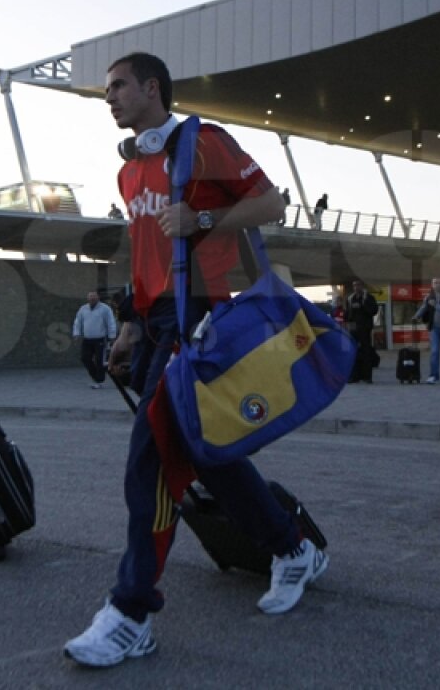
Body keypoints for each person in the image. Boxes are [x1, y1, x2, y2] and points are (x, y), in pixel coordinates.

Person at [63, 53, 327, 669]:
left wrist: (203, 217)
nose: (109, 97)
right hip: (157, 322)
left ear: (152, 88)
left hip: (200, 319)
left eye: (119, 86)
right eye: (107, 89)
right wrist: (131, 324)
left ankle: (131, 612)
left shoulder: (202, 142)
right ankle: (293, 548)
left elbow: (271, 204)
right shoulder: (129, 173)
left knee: (150, 459)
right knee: (210, 453)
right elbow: (145, 255)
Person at [415, 277, 440, 384]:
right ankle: (434, 376)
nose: (436, 284)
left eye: (439, 282)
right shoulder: (429, 297)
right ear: (432, 285)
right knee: (434, 352)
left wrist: (436, 305)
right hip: (434, 329)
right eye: (434, 283)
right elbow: (424, 308)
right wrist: (417, 316)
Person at [72, 291, 117, 388]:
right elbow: (78, 322)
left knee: (100, 360)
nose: (92, 299)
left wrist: (112, 335)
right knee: (85, 358)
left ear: (98, 298)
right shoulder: (83, 309)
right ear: (87, 298)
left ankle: (99, 380)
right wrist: (76, 333)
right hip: (87, 339)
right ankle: (96, 377)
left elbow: (111, 322)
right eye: (90, 297)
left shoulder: (105, 309)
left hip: (100, 339)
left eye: (94, 297)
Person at [345, 279, 378, 384]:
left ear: (362, 286)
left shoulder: (368, 297)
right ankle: (355, 376)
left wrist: (364, 304)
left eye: (358, 285)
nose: (356, 287)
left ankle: (367, 376)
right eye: (354, 285)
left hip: (365, 329)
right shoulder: (351, 298)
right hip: (354, 329)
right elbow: (348, 314)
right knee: (354, 352)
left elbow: (374, 311)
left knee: (366, 352)